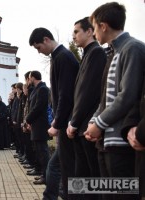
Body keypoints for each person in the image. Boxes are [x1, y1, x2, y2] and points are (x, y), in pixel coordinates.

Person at [84, 2, 145, 200]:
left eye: (94, 28)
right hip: (106, 141)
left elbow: (127, 95)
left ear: (103, 26)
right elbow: (105, 98)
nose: (93, 33)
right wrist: (94, 121)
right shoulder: (113, 52)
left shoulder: (132, 48)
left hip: (121, 142)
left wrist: (99, 123)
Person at [29, 28, 79, 200]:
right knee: (60, 165)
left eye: (38, 47)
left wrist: (57, 122)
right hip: (66, 121)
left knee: (57, 166)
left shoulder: (63, 57)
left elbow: (65, 94)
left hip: (67, 122)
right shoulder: (57, 57)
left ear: (46, 39)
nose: (39, 52)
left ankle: (52, 196)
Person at [66, 17, 107, 200]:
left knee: (92, 178)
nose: (73, 36)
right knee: (82, 177)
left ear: (89, 31)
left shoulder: (97, 53)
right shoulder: (87, 54)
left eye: (76, 31)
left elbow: (88, 92)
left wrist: (74, 122)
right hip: (81, 126)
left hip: (88, 127)